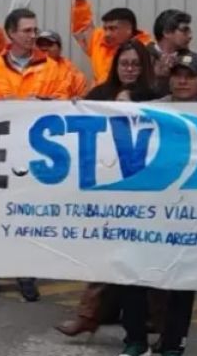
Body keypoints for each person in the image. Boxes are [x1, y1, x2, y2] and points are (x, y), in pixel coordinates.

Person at [56, 40, 159, 338]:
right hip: (107, 185)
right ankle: (88, 314)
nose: (129, 69)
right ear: (115, 66)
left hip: (146, 187)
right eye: (124, 63)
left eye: (136, 64)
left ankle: (154, 319)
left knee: (148, 254)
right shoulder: (99, 94)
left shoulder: (157, 96)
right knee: (106, 251)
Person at [113, 53, 197, 356]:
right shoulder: (152, 109)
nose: (182, 80)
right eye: (178, 74)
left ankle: (172, 347)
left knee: (183, 279)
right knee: (133, 274)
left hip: (191, 212)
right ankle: (136, 342)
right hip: (147, 209)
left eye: (190, 75)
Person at [0, 8, 71, 301]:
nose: (33, 36)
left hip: (36, 154)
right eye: (27, 31)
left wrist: (39, 104)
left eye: (35, 30)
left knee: (29, 215)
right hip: (1, 153)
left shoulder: (52, 67)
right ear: (12, 33)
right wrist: (3, 105)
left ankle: (26, 272)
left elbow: (64, 103)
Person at [70, 0, 154, 84]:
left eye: (113, 29)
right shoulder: (98, 40)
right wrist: (80, 1)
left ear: (129, 29)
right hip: (100, 97)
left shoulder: (146, 48)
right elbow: (82, 27)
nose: (107, 34)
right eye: (105, 29)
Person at [150, 9, 197, 97]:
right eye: (184, 30)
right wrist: (158, 78)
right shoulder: (142, 57)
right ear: (167, 32)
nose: (190, 36)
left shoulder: (193, 60)